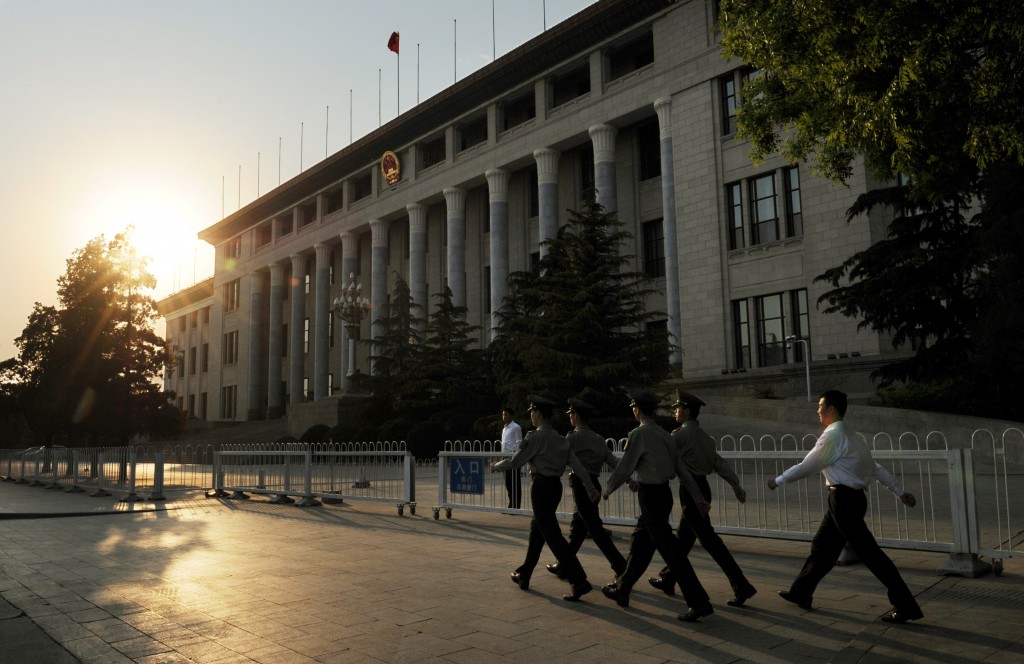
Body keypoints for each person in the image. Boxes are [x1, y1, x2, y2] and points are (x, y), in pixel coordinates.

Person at [768, 390, 924, 624]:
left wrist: (779, 480)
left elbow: (808, 465)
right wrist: (899, 491)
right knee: (822, 547)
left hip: (843, 501)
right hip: (850, 499)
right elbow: (875, 468)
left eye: (820, 406)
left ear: (831, 409)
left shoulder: (833, 436)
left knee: (870, 554)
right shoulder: (853, 437)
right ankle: (801, 592)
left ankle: (906, 605)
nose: (817, 410)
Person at [600, 391, 715, 623]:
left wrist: (608, 488)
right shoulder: (665, 435)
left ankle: (699, 601)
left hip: (650, 496)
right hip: (663, 495)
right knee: (641, 545)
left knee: (672, 553)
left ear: (637, 409)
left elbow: (624, 466)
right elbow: (682, 470)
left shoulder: (639, 434)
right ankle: (622, 589)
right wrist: (699, 497)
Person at [648, 390, 757, 607]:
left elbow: (666, 460)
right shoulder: (705, 438)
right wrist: (735, 484)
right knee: (684, 538)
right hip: (703, 488)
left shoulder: (679, 436)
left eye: (678, 408)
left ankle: (742, 586)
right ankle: (669, 577)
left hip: (692, 491)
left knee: (710, 541)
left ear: (687, 410)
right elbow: (719, 463)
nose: (675, 411)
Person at [490, 395, 600, 602]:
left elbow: (516, 461)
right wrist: (590, 487)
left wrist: (496, 466)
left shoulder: (535, 438)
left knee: (552, 535)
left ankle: (578, 580)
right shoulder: (561, 439)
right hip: (555, 488)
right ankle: (525, 574)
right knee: (537, 531)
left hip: (540, 487)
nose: (531, 416)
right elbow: (577, 465)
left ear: (538, 414)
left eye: (532, 412)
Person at [545, 398, 626, 579]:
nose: (570, 418)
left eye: (571, 414)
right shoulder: (598, 439)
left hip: (582, 486)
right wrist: (629, 478)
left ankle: (621, 566)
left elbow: (557, 457)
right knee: (578, 528)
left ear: (576, 416)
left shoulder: (572, 438)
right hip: (593, 483)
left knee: (595, 530)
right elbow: (613, 461)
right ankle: (565, 564)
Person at [500, 407, 523, 509]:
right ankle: (511, 503)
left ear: (511, 416)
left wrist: (518, 458)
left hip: (513, 456)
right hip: (505, 457)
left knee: (515, 482)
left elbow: (519, 443)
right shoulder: (504, 428)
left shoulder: (516, 427)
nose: (504, 416)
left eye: (506, 414)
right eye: (503, 414)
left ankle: (516, 505)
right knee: (508, 482)